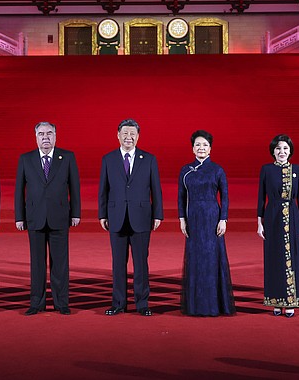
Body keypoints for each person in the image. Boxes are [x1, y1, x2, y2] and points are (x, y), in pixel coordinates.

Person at [14, 121, 81, 316]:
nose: (45, 137)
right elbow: (19, 190)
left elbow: (74, 187)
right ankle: (37, 302)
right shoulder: (26, 159)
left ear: (55, 136)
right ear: (35, 137)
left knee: (60, 263)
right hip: (34, 217)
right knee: (37, 263)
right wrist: (20, 216)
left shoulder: (67, 157)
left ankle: (62, 302)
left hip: (60, 216)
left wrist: (75, 212)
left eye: (49, 133)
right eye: (41, 134)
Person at [99, 118, 163, 316]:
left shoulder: (149, 158)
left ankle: (142, 303)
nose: (129, 137)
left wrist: (157, 214)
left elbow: (156, 189)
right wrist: (102, 214)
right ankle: (118, 303)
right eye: (125, 133)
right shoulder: (108, 159)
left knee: (141, 263)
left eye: (132, 134)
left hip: (142, 216)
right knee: (118, 263)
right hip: (116, 216)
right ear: (118, 135)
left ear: (138, 136)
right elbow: (104, 189)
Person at [177, 130, 235, 316]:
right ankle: (195, 306)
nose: (201, 148)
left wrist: (223, 219)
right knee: (195, 260)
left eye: (205, 145)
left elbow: (225, 196)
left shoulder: (217, 170)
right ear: (193, 148)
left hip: (212, 217)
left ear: (210, 148)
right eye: (198, 145)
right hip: (193, 218)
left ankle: (214, 305)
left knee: (211, 259)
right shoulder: (186, 170)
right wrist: (182, 220)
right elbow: (181, 197)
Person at [257, 134, 299, 317]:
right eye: (278, 148)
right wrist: (259, 223)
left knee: (293, 257)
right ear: (273, 151)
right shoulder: (267, 170)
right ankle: (276, 301)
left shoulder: (298, 170)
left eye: (285, 148)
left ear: (290, 151)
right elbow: (261, 198)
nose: (282, 152)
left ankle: (291, 300)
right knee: (273, 258)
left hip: (292, 217)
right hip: (272, 216)